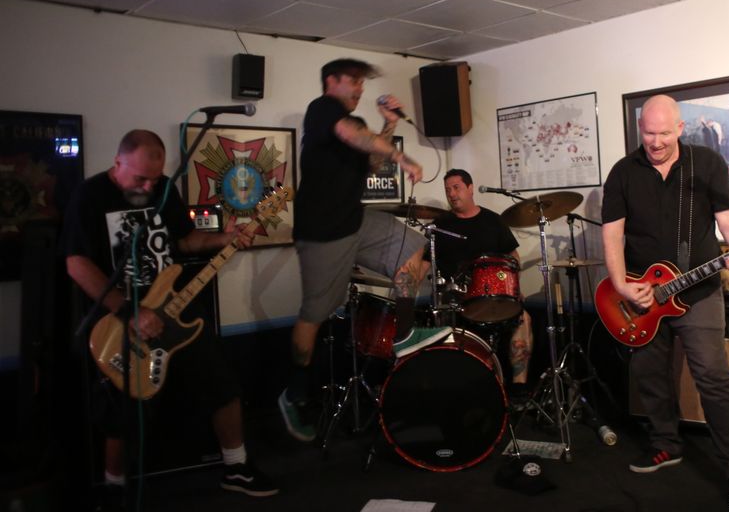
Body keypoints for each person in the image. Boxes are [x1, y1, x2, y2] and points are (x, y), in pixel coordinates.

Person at [61, 130, 278, 505]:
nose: (148, 187)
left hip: (174, 306)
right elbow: (77, 264)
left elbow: (185, 240)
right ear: (118, 162)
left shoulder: (163, 190)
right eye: (139, 179)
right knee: (122, 406)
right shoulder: (90, 195)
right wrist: (129, 312)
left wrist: (224, 239)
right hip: (122, 316)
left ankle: (237, 467)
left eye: (155, 179)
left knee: (223, 384)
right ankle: (113, 488)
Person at [600, 95, 729, 506]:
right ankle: (666, 444)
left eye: (664, 134)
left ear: (680, 128)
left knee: (714, 378)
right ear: (640, 129)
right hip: (643, 296)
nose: (655, 142)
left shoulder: (706, 163)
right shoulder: (623, 172)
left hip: (699, 291)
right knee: (650, 376)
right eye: (648, 133)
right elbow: (613, 233)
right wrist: (620, 285)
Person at [280, 58, 450, 442]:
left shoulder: (355, 124)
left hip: (355, 220)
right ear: (332, 81)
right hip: (323, 231)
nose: (359, 89)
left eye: (362, 82)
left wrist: (389, 125)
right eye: (353, 81)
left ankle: (404, 334)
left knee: (414, 246)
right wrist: (401, 156)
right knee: (316, 312)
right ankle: (295, 392)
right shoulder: (322, 109)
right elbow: (352, 134)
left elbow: (370, 160)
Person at [425, 169, 533, 408]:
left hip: (492, 296)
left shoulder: (493, 221)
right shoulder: (440, 226)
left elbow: (512, 257)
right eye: (447, 190)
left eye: (456, 188)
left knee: (523, 318)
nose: (452, 194)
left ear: (470, 188)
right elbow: (424, 262)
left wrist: (513, 286)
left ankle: (518, 389)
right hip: (456, 300)